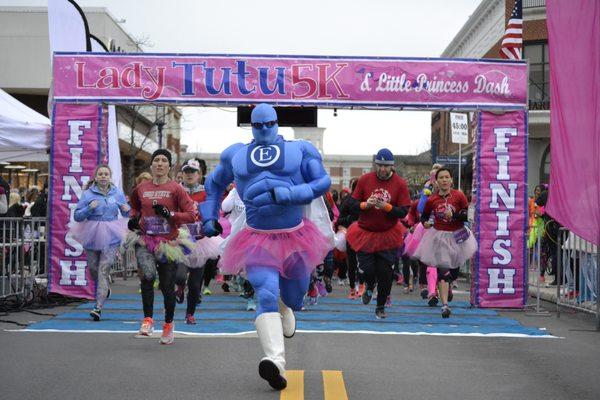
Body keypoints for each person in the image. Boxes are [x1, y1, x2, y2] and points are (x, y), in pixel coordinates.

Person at [200, 103, 331, 390]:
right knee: (265, 292)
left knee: (294, 297)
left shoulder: (300, 150)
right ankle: (275, 361)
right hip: (257, 236)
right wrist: (209, 216)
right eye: (258, 125)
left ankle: (287, 307)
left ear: (276, 123)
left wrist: (293, 192)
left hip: (295, 235)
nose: (263, 130)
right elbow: (213, 185)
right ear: (251, 126)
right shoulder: (236, 154)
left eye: (268, 124)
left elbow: (322, 181)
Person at [127, 149, 197, 344]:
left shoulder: (176, 188)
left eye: (163, 161)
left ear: (169, 166)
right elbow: (134, 206)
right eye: (156, 160)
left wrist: (170, 215)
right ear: (151, 165)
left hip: (168, 243)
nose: (159, 163)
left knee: (167, 287)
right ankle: (148, 320)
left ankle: (168, 324)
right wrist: (133, 219)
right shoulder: (141, 188)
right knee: (147, 276)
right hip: (145, 240)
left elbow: (192, 215)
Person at [345, 149, 411, 319]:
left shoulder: (400, 183)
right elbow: (351, 203)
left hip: (387, 234)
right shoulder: (365, 180)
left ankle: (380, 306)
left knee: (385, 272)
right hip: (365, 232)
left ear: (392, 166)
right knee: (367, 268)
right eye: (380, 165)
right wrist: (365, 205)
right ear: (375, 165)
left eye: (386, 166)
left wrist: (387, 207)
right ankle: (368, 284)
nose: (382, 169)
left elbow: (403, 211)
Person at [413, 168, 477, 318]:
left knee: (453, 271)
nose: (444, 180)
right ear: (436, 181)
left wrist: (454, 215)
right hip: (439, 236)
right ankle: (445, 306)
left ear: (451, 180)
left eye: (447, 177)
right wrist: (426, 223)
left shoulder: (459, 196)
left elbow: (469, 215)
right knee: (443, 270)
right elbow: (424, 217)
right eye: (441, 177)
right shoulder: (432, 200)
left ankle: (448, 285)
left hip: (458, 235)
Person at [71, 165, 129, 321]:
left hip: (111, 233)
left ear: (110, 177)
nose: (103, 176)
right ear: (95, 177)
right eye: (100, 174)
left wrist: (125, 208)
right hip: (92, 231)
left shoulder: (117, 193)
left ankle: (98, 307)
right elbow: (77, 216)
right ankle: (105, 288)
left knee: (104, 268)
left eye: (106, 174)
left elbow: (126, 212)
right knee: (93, 268)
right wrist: (89, 208)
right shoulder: (88, 194)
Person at [178, 158, 221, 325]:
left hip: (200, 241)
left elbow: (213, 211)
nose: (189, 175)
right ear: (182, 174)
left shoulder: (205, 193)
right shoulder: (176, 190)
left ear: (199, 174)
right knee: (180, 276)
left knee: (196, 284)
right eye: (186, 172)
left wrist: (212, 224)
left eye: (193, 172)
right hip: (179, 240)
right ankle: (180, 287)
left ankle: (190, 314)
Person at [337, 177, 363, 299]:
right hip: (352, 234)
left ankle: (360, 286)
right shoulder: (347, 200)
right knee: (353, 262)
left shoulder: (367, 199)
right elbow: (339, 219)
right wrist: (349, 220)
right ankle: (354, 287)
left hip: (365, 234)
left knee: (361, 262)